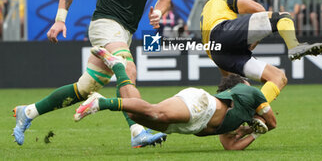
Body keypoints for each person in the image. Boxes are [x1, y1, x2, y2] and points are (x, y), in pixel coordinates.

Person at [12, 0, 171, 148]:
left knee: (85, 88)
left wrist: (159, 12)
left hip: (125, 32)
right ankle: (137, 131)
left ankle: (28, 111)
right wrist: (60, 19)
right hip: (104, 24)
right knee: (127, 68)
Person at [75, 50, 275, 151]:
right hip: (200, 107)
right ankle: (101, 103)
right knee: (154, 112)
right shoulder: (247, 91)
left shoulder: (237, 116)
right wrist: (262, 123)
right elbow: (273, 123)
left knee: (134, 114)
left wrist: (254, 133)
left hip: (190, 125)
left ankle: (118, 68)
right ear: (240, 84)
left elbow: (230, 146)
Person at [200, 0, 322, 106]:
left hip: (219, 56)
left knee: (278, 77)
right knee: (282, 16)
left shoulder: (204, 26)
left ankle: (256, 110)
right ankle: (294, 46)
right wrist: (256, 39)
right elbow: (258, 9)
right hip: (222, 33)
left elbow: (227, 73)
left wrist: (240, 84)